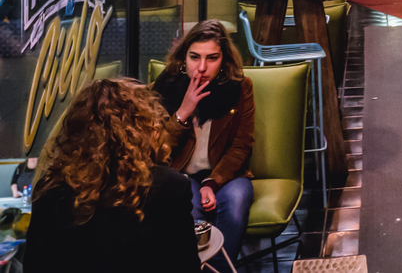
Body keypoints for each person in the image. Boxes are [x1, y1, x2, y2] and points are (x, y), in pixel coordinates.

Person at [24, 78, 201, 273]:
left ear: (76, 131)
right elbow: (187, 266)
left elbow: (33, 266)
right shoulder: (169, 186)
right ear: (144, 127)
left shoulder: (49, 188)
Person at [152, 20, 254, 267]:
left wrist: (212, 182)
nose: (202, 67)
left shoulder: (240, 88)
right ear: (183, 58)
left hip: (226, 175)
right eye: (194, 57)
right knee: (189, 211)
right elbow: (156, 150)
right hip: (181, 175)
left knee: (236, 204)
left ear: (224, 60)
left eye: (212, 58)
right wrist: (183, 113)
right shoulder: (164, 88)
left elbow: (241, 145)